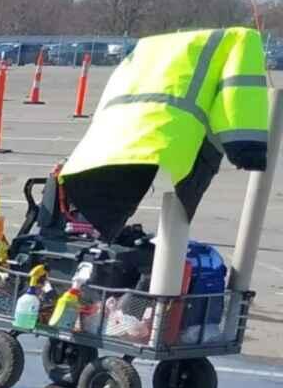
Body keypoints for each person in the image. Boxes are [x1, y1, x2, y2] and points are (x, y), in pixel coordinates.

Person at [59, 26, 271, 238]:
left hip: (112, 135)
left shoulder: (148, 47)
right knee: (173, 210)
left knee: (100, 203)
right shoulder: (242, 40)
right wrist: (247, 149)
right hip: (168, 134)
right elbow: (240, 96)